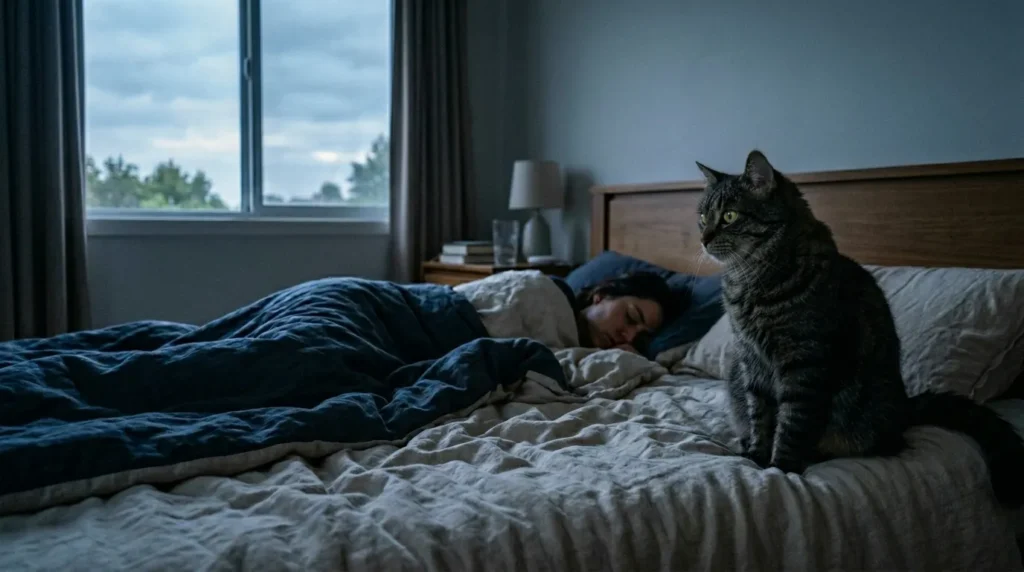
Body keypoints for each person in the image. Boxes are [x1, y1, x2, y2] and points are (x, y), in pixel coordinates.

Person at [549, 272, 676, 353]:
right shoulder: (555, 294)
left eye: (640, 337)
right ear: (602, 295)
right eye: (631, 317)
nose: (629, 338)